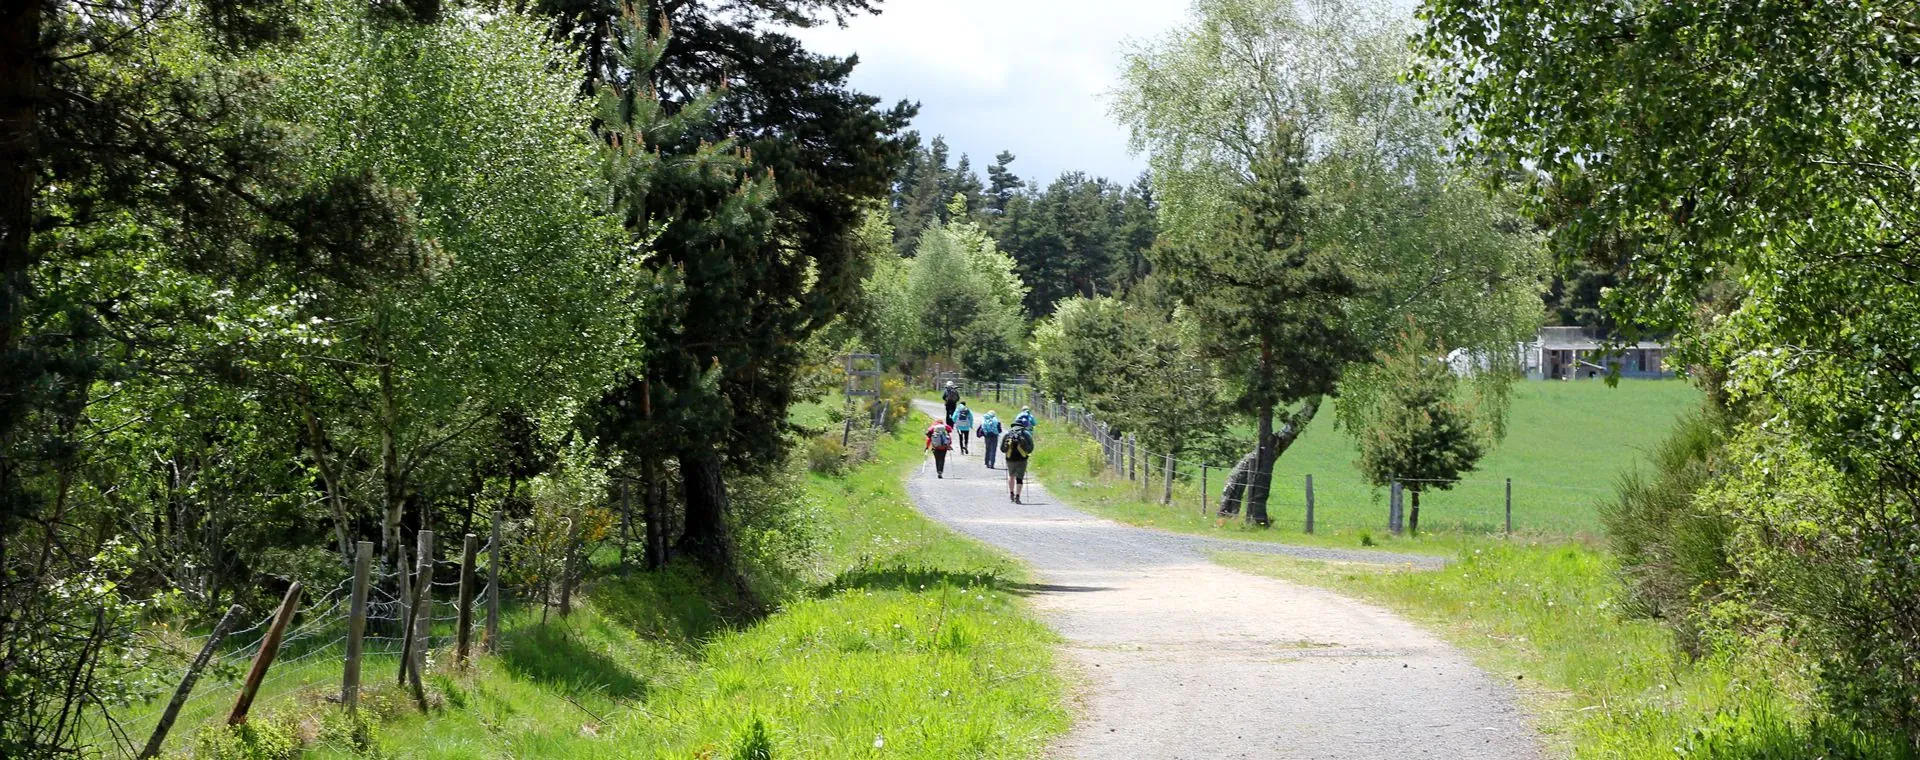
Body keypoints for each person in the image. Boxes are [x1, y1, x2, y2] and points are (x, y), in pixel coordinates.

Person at [1001, 420, 1035, 503]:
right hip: (1022, 458)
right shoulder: (1026, 434)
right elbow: (1031, 448)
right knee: (1020, 478)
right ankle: (1017, 496)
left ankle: (1011, 493)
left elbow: (1002, 449)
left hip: (1010, 458)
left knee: (1011, 475)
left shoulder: (1008, 434)